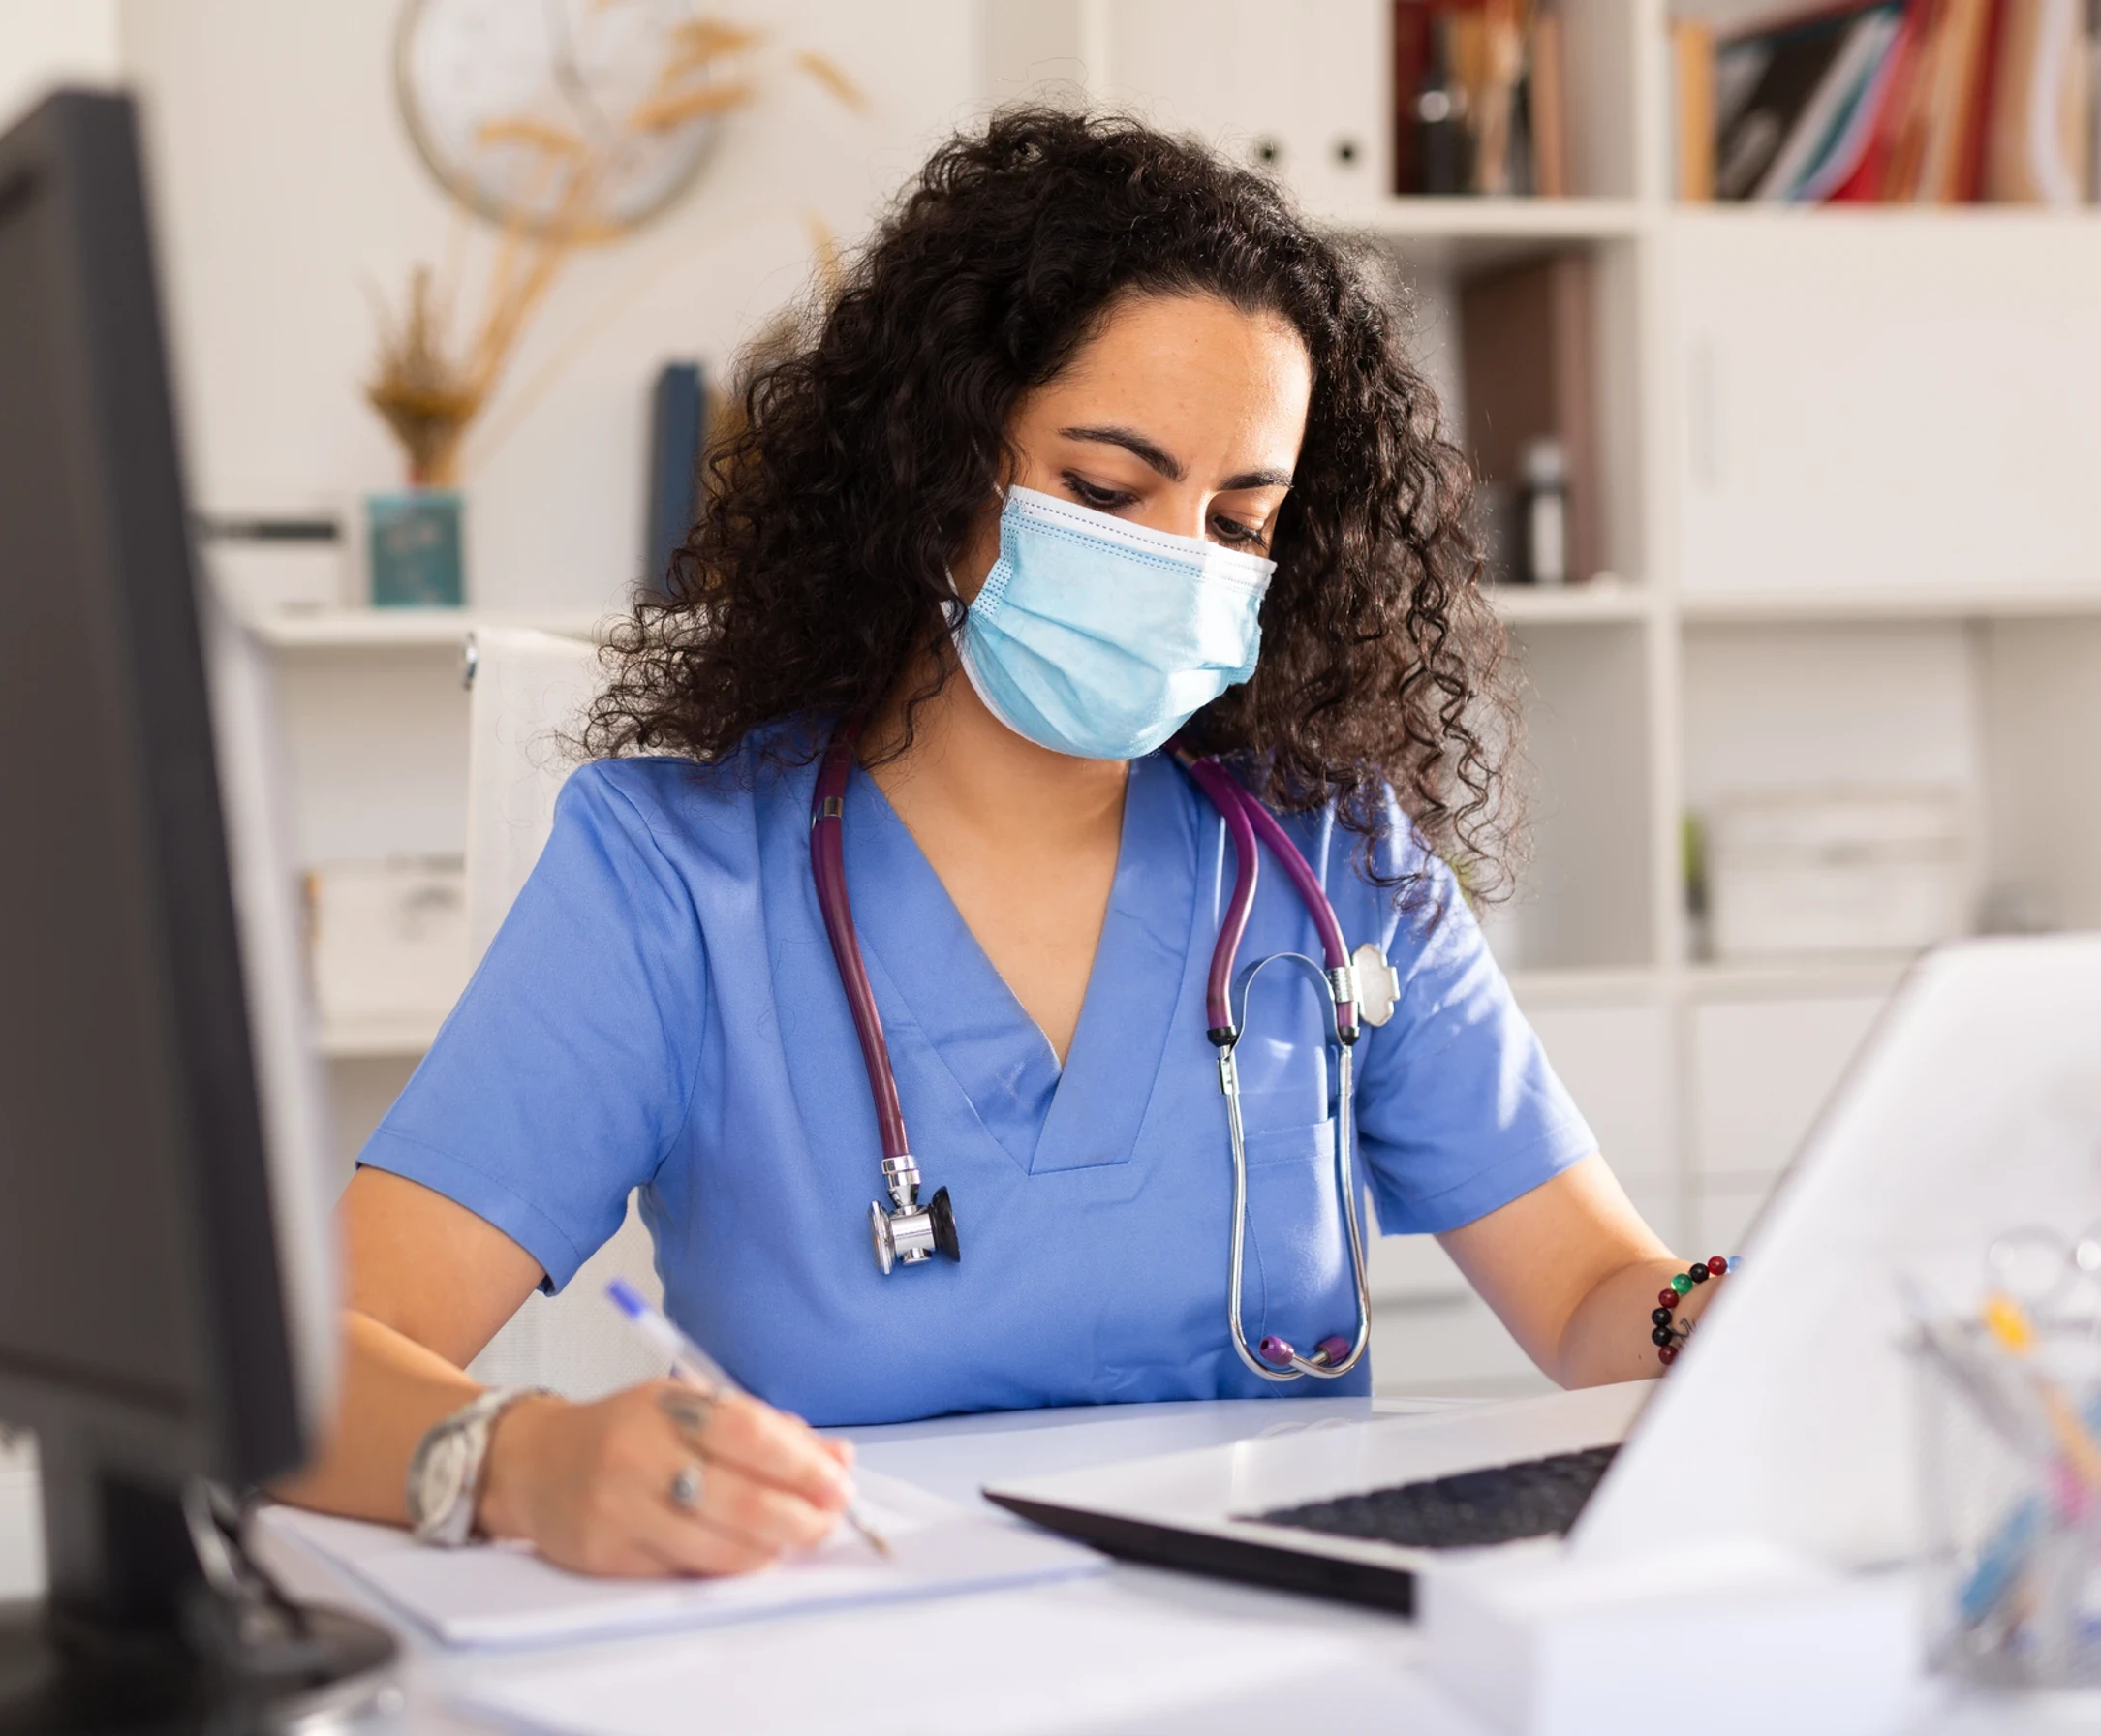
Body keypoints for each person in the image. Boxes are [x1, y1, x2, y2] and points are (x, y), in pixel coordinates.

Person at [275, 108, 1707, 1577]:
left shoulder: (1334, 862)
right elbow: (305, 1368)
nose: (1175, 566)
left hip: (1272, 1654)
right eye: (1105, 491)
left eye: (1239, 520)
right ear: (934, 469)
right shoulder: (676, 875)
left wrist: (1705, 1311)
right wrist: (519, 1459)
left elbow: (1597, 1289)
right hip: (850, 1654)